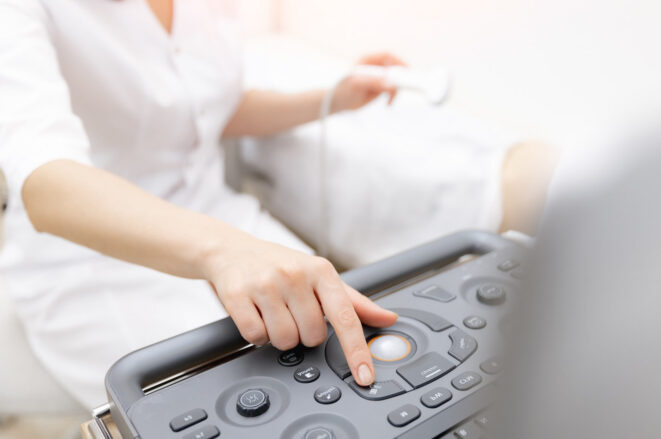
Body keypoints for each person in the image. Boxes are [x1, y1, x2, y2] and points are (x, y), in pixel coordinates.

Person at [0, 0, 556, 407]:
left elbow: (209, 106)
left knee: (360, 382)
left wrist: (333, 98)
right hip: (94, 263)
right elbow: (46, 184)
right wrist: (224, 250)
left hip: (224, 223)